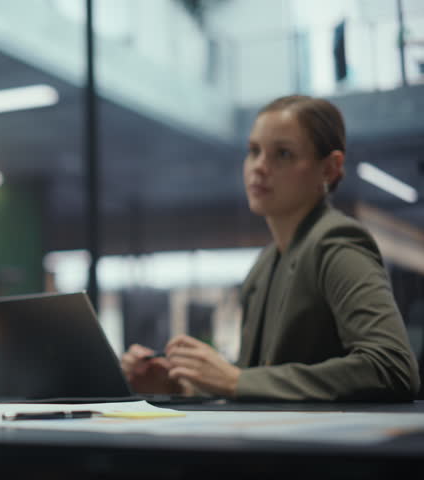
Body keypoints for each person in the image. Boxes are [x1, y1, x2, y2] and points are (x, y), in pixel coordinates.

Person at [121, 95, 420, 402]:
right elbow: (256, 377)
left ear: (329, 169)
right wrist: (180, 386)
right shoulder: (265, 263)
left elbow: (391, 367)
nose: (260, 166)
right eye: (254, 151)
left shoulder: (337, 242)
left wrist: (236, 379)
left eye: (283, 154)